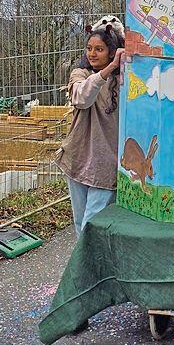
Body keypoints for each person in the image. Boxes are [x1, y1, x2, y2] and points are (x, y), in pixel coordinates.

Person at [55, 27, 124, 237]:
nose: (92, 54)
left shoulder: (125, 80)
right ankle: (85, 268)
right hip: (78, 157)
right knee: (79, 223)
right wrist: (109, 68)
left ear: (112, 51)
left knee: (90, 225)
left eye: (99, 49)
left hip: (106, 162)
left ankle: (89, 267)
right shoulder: (80, 74)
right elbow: (82, 98)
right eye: (89, 48)